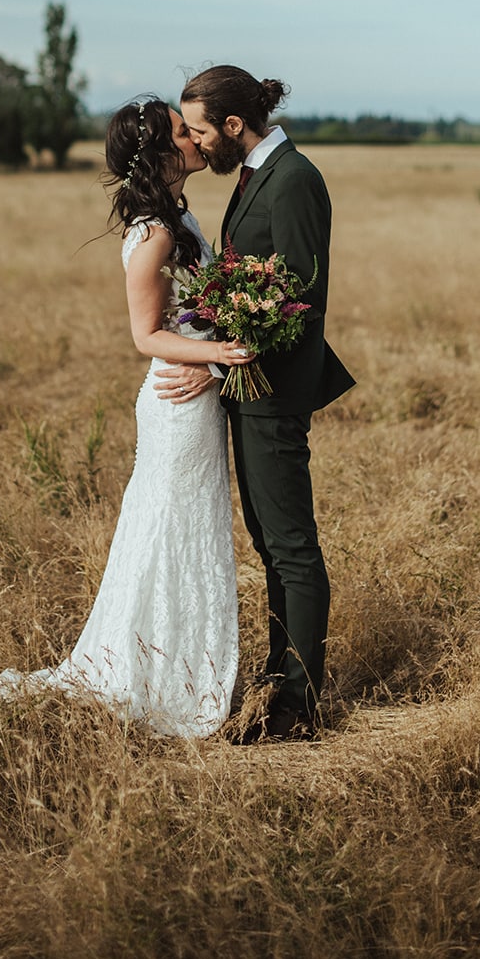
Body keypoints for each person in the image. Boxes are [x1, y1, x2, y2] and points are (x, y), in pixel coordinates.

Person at [0, 96, 252, 737]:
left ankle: (174, 663)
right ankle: (156, 677)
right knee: (170, 533)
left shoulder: (173, 216)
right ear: (162, 154)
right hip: (177, 405)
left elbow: (186, 311)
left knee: (179, 531)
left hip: (193, 391)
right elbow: (146, 335)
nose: (194, 139)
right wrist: (219, 352)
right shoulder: (157, 232)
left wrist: (215, 346)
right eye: (180, 133)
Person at [156, 66, 355, 742]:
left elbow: (297, 297)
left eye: (202, 131)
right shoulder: (254, 177)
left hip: (272, 389)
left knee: (291, 547)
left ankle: (298, 707)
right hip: (251, 387)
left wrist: (223, 364)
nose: (197, 143)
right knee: (269, 544)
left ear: (234, 127)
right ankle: (278, 679)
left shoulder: (294, 179)